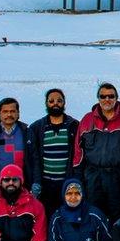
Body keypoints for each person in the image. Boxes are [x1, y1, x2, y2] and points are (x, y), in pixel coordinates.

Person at [72, 83, 120, 225]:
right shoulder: (87, 119)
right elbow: (78, 150)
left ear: (116, 98)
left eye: (111, 96)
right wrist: (78, 176)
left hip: (116, 176)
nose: (107, 100)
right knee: (93, 213)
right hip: (92, 176)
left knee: (117, 215)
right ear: (98, 98)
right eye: (103, 96)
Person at [28, 88, 79, 218]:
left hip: (67, 183)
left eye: (59, 101)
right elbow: (33, 157)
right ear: (46, 103)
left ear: (64, 103)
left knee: (67, 217)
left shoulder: (74, 126)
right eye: (51, 101)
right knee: (46, 218)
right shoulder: (37, 127)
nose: (55, 103)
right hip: (46, 185)